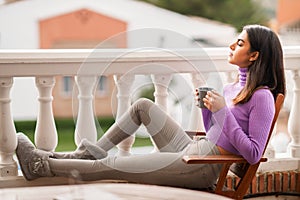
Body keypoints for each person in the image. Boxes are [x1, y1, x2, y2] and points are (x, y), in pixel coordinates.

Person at [16, 24, 286, 189]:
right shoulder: (231, 88)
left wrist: (221, 112)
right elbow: (215, 129)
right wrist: (207, 110)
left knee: (117, 165)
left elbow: (252, 154)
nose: (231, 45)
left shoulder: (262, 96)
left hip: (204, 165)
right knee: (143, 106)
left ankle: (41, 165)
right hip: (195, 148)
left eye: (239, 43)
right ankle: (87, 155)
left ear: (254, 55)